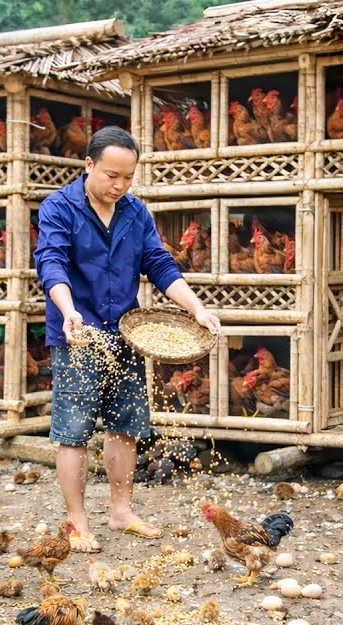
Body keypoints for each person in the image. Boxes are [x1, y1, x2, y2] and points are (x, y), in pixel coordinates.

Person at [33, 126, 221, 553]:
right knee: (73, 430)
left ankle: (121, 511)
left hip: (125, 331)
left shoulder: (135, 212)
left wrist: (196, 308)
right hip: (77, 333)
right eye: (111, 175)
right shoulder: (58, 208)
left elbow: (158, 263)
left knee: (127, 424)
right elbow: (51, 264)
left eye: (127, 177)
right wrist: (68, 311)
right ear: (88, 165)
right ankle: (77, 521)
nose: (119, 185)